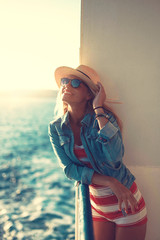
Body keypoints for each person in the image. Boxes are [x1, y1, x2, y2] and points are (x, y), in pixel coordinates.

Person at [48, 65, 147, 240]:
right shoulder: (56, 128)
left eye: (76, 83)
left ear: (89, 95)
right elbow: (69, 170)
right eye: (65, 81)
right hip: (97, 208)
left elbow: (114, 158)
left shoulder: (104, 120)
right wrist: (110, 182)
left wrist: (98, 109)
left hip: (127, 205)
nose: (67, 85)